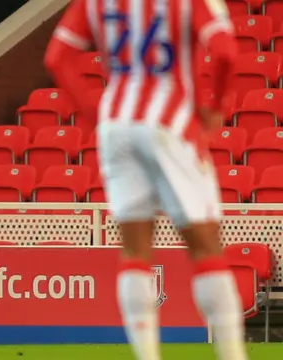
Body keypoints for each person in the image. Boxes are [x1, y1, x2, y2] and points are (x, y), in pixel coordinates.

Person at [44, 1, 246, 360]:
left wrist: (95, 114)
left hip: (115, 124)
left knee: (134, 250)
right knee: (206, 248)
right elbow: (226, 52)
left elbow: (57, 57)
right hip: (169, 122)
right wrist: (215, 109)